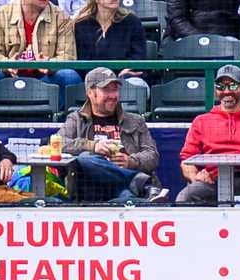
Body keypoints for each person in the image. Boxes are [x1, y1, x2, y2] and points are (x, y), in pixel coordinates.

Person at [57, 68, 162, 202]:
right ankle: (136, 180)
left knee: (127, 198)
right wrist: (92, 146)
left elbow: (152, 155)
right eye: (106, 90)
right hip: (90, 188)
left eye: (115, 90)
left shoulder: (135, 121)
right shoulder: (76, 119)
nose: (113, 95)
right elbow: (57, 143)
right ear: (90, 92)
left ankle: (133, 182)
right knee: (85, 158)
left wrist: (131, 161)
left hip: (123, 190)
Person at [174, 65, 240, 206]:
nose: (227, 91)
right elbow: (186, 159)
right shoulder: (201, 121)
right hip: (213, 181)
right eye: (221, 86)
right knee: (185, 197)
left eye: (233, 86)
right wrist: (196, 177)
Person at [71, 0, 147, 74]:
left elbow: (139, 55)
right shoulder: (81, 25)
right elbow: (81, 61)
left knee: (135, 83)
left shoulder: (132, 21)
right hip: (91, 78)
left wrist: (128, 69)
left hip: (124, 77)